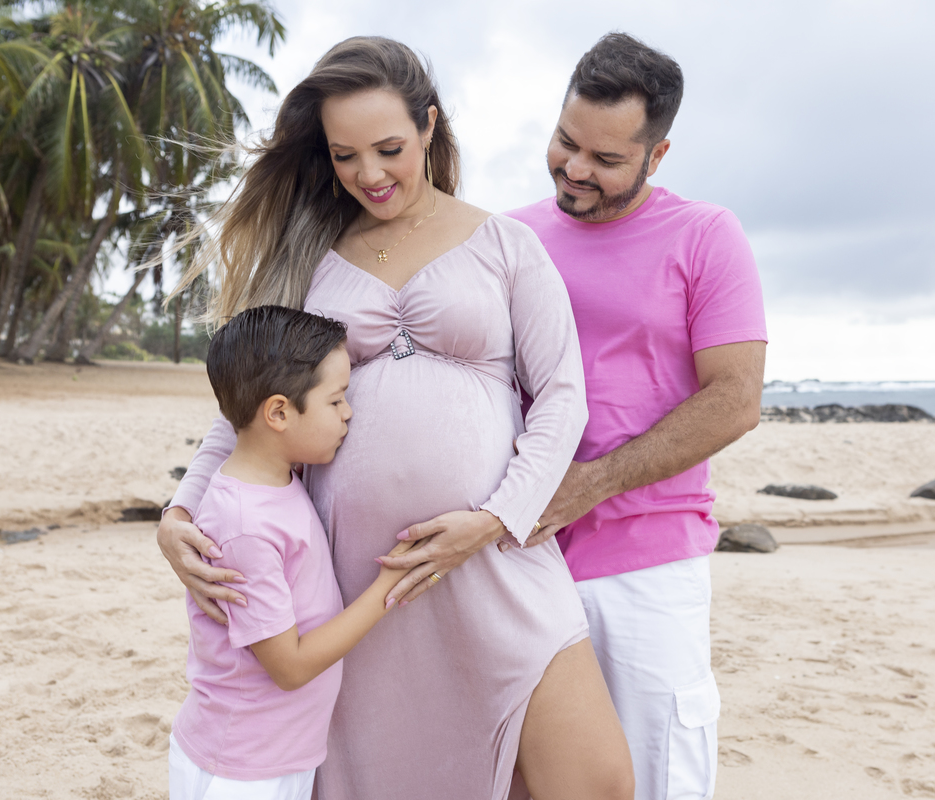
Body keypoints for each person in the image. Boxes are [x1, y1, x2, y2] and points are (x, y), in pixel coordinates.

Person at [156, 37, 634, 800]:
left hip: (492, 552)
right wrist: (179, 512)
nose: (369, 175)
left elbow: (562, 397)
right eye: (345, 156)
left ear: (429, 126)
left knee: (596, 781)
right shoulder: (307, 256)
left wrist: (496, 519)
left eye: (388, 149)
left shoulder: (506, 244)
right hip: (358, 579)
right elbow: (248, 410)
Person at [492, 33, 768, 800]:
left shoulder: (706, 235)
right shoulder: (505, 238)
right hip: (520, 559)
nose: (575, 168)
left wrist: (591, 483)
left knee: (658, 777)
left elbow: (736, 399)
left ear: (658, 154)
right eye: (566, 141)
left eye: (606, 158)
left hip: (648, 564)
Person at [169, 306, 417, 800]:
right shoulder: (245, 527)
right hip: (243, 768)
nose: (348, 413)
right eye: (336, 400)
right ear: (279, 413)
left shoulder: (277, 480)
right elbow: (290, 666)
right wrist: (388, 589)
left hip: (270, 754)